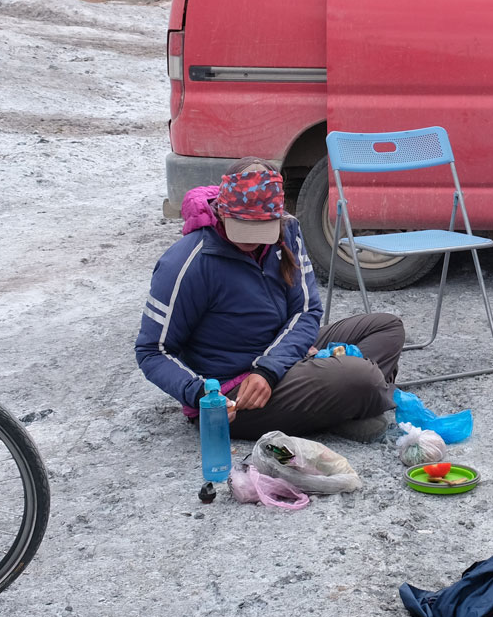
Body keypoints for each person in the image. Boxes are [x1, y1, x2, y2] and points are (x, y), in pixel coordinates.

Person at [136, 163, 405, 441]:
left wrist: (272, 367)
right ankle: (351, 400)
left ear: (278, 216)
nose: (251, 240)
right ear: (222, 211)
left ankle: (342, 405)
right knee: (358, 375)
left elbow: (306, 311)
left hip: (283, 358)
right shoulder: (188, 261)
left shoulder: (287, 230)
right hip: (235, 394)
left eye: (262, 229)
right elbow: (152, 351)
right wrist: (203, 395)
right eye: (243, 229)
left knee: (387, 328)